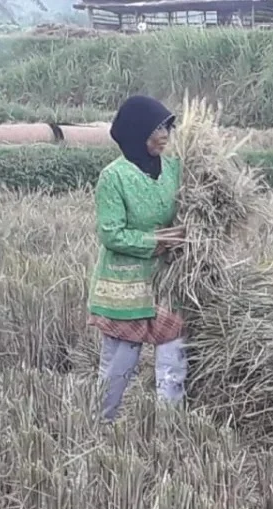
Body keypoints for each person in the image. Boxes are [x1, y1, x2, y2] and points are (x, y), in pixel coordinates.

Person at [87, 94, 188, 422]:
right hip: (125, 287)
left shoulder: (174, 169)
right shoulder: (113, 177)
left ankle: (170, 428)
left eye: (166, 127)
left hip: (164, 281)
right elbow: (111, 234)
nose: (164, 135)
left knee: (174, 360)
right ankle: (100, 425)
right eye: (155, 129)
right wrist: (155, 241)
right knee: (120, 366)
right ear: (134, 133)